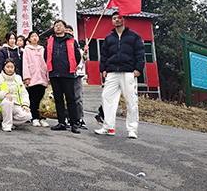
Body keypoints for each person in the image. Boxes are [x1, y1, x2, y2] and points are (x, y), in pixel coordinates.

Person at [94, 11, 145, 139]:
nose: (116, 20)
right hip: (112, 72)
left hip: (128, 72)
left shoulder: (134, 36)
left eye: (119, 18)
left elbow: (140, 53)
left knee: (131, 101)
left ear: (124, 20)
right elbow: (104, 54)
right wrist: (103, 69)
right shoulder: (109, 38)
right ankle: (108, 127)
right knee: (107, 98)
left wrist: (138, 69)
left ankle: (132, 129)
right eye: (114, 18)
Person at [45, 20, 82, 134]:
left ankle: (74, 123)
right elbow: (45, 55)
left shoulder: (71, 41)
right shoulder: (49, 41)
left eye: (60, 25)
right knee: (58, 98)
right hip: (54, 73)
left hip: (67, 73)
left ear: (64, 28)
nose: (58, 27)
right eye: (56, 26)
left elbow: (77, 55)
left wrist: (73, 65)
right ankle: (61, 122)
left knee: (71, 98)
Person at [0, 59, 32, 132]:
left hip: (16, 104)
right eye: (8, 67)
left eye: (12, 67)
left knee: (28, 115)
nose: (10, 69)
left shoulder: (18, 78)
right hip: (2, 104)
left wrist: (25, 104)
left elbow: (24, 93)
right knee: (8, 101)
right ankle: (6, 125)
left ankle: (10, 123)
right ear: (4, 68)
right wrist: (4, 94)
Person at [22, 31, 50, 127]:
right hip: (32, 77)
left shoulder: (42, 49)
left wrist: (48, 76)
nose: (34, 38)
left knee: (42, 100)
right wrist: (26, 77)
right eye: (32, 36)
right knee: (33, 99)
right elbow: (25, 63)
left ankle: (43, 118)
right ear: (29, 39)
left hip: (42, 77)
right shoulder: (27, 49)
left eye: (36, 36)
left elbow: (47, 62)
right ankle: (35, 118)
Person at [65, 24, 88, 129]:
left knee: (78, 98)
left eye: (70, 31)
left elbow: (83, 59)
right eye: (67, 31)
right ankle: (68, 118)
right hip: (66, 74)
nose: (68, 32)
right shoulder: (62, 44)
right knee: (67, 97)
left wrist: (85, 52)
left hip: (77, 75)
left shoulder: (76, 45)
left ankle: (79, 118)